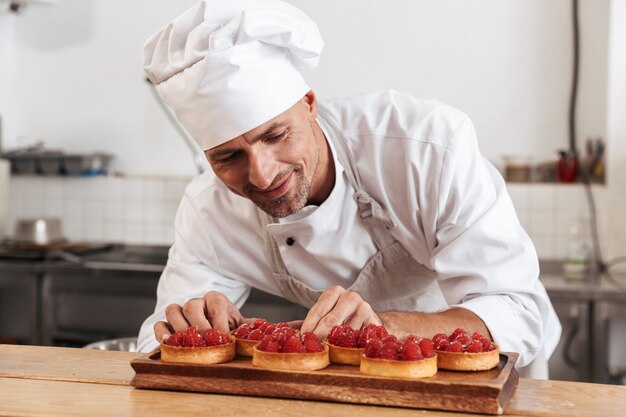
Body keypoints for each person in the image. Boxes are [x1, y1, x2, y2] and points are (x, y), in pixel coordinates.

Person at [138, 0, 561, 378]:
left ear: (308, 105)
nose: (263, 177)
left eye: (275, 135)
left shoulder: (427, 147)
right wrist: (187, 324)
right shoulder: (208, 211)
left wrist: (389, 327)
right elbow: (155, 345)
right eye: (228, 158)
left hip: (480, 386)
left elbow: (518, 314)